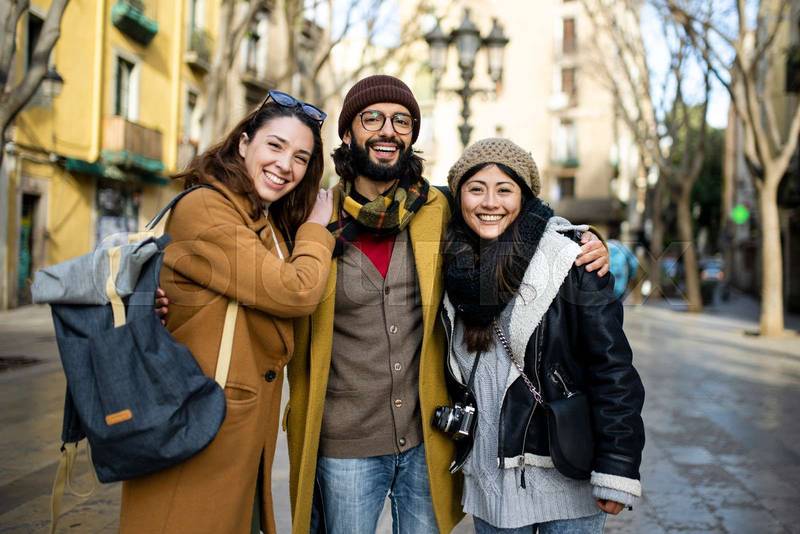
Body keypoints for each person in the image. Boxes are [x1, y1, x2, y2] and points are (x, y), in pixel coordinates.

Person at [285, 75, 612, 534]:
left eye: (401, 121)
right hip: (345, 443)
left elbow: (512, 212)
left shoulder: (436, 209)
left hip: (427, 439)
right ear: (347, 134)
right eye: (372, 118)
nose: (387, 130)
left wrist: (580, 240)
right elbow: (270, 280)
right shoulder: (314, 218)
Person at [121, 91, 336, 534]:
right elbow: (294, 290)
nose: (285, 165)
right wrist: (317, 229)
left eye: (300, 157)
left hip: (231, 430)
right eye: (274, 146)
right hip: (199, 424)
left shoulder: (264, 219)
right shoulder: (205, 208)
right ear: (243, 144)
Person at [438, 138, 645, 533]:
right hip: (492, 478)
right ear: (458, 195)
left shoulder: (570, 258)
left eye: (504, 189)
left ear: (525, 196)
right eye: (475, 189)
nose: (489, 202)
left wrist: (617, 467)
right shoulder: (449, 263)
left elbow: (613, 367)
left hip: (565, 471)